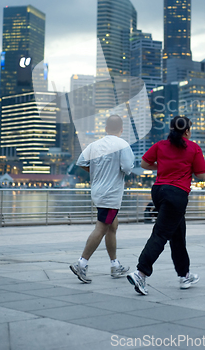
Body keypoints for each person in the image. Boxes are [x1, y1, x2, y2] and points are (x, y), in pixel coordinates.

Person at [127, 115, 205, 295]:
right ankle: (141, 272)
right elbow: (201, 175)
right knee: (161, 234)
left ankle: (184, 275)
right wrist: (186, 167)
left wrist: (162, 166)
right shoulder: (193, 148)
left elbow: (145, 163)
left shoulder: (160, 145)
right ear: (187, 131)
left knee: (178, 235)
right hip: (176, 194)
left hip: (159, 192)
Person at [70, 114, 134, 284]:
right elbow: (127, 168)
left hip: (98, 191)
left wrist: (96, 172)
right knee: (101, 228)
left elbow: (81, 162)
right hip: (111, 194)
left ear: (106, 129)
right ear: (121, 129)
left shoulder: (94, 145)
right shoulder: (123, 145)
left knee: (112, 226)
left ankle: (115, 265)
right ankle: (81, 264)